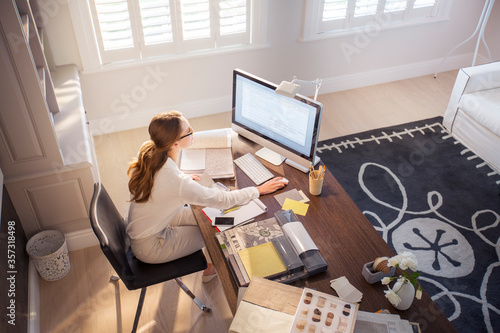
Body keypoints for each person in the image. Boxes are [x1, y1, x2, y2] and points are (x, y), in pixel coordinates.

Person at [126, 111, 287, 282]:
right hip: (151, 246)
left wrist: (184, 181)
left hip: (154, 223)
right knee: (214, 231)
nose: (193, 132)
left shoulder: (150, 150)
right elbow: (223, 200)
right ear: (175, 143)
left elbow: (163, 186)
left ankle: (211, 266)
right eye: (188, 131)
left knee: (209, 217)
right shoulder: (177, 182)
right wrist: (259, 190)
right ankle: (211, 270)